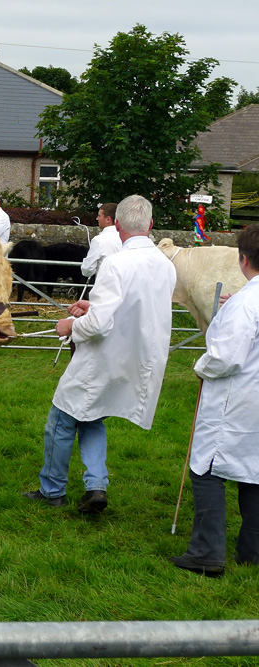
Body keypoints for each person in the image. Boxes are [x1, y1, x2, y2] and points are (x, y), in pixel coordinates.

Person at [24, 194, 176, 514]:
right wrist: (93, 305)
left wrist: (70, 326)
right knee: (92, 418)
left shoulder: (116, 263)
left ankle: (52, 490)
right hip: (135, 359)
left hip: (102, 358)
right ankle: (96, 485)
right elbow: (135, 308)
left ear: (116, 223)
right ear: (150, 225)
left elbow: (98, 325)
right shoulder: (165, 264)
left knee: (61, 419)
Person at [171, 224, 259, 578]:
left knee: (206, 468)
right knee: (254, 469)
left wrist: (201, 366)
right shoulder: (244, 302)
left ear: (243, 259)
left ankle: (207, 554)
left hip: (235, 400)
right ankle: (253, 550)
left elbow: (226, 357)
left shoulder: (246, 303)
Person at [80, 203, 121, 278]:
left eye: (99, 216)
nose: (97, 219)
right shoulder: (126, 238)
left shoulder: (99, 240)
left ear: (108, 219)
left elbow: (87, 270)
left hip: (106, 285)